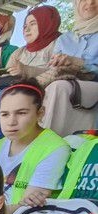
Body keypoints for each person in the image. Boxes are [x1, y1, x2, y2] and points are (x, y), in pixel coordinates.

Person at [0, 6, 62, 142]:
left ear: (46, 23)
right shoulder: (20, 52)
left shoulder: (58, 45)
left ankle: (1, 144)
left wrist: (26, 73)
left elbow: (58, 72)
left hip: (35, 89)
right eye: (25, 26)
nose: (26, 29)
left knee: (5, 94)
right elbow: (7, 76)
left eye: (33, 24)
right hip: (16, 88)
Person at [0, 80, 70, 207]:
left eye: (21, 113)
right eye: (5, 114)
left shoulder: (55, 148)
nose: (11, 122)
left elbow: (26, 209)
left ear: (40, 113)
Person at [42, 0, 98, 136]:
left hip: (93, 84)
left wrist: (78, 63)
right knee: (21, 91)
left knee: (59, 87)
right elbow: (51, 70)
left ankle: (49, 147)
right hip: (63, 81)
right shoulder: (65, 39)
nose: (90, 3)